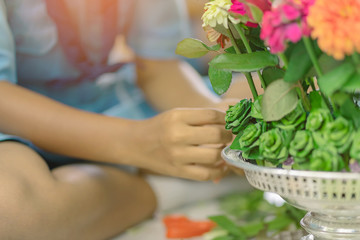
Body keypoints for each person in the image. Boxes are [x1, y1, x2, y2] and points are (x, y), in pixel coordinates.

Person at [0, 0, 236, 239]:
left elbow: (159, 68)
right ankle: (163, 187)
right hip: (15, 126)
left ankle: (96, 197)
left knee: (257, 94)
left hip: (110, 103)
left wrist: (212, 117)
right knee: (8, 209)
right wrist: (135, 142)